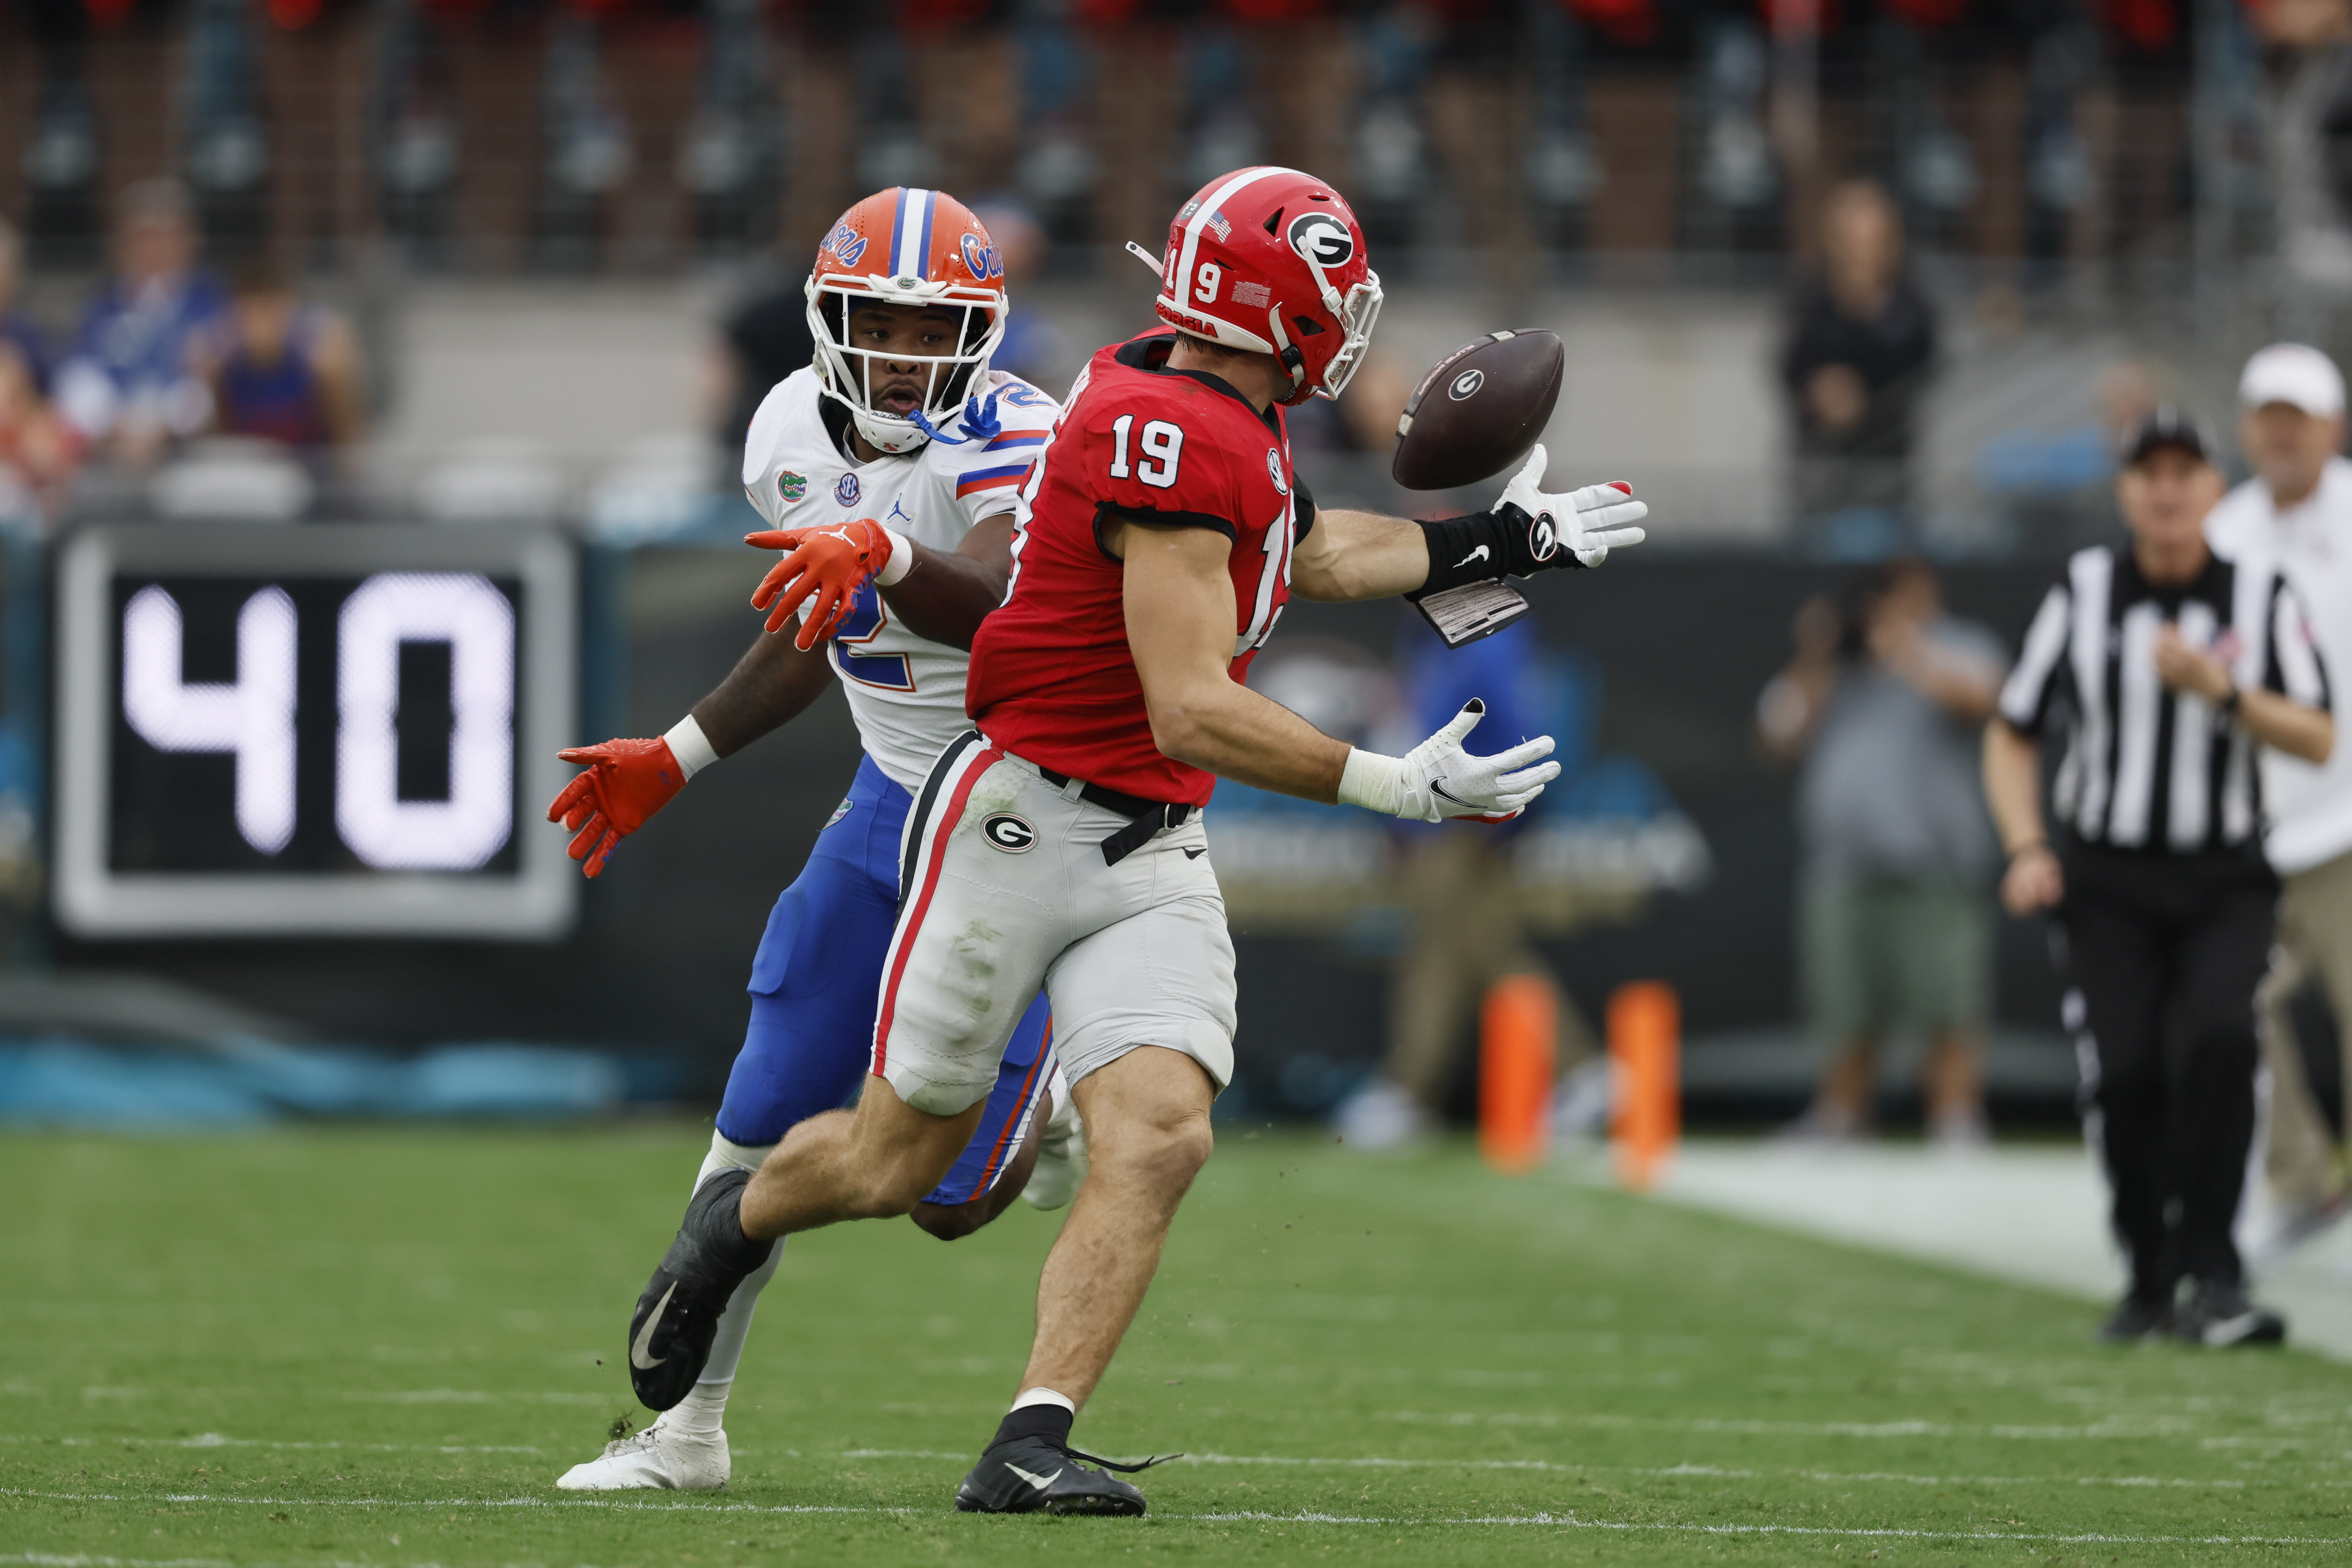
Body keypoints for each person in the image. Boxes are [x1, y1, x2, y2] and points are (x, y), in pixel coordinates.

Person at [616, 164, 1648, 1516]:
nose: (1349, 325)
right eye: (1331, 297)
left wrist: (1503, 540)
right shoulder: (1161, 433)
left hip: (1150, 845)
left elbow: (1318, 550)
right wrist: (1395, 787)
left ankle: (1026, 1437)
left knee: (1160, 1133)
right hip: (1015, 819)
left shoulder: (1228, 408)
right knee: (898, 1169)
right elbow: (1193, 702)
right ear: (1271, 308)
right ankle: (734, 1220)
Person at [543, 188, 1076, 1492]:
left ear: (983, 331)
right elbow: (814, 628)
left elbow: (1007, 604)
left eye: (932, 327)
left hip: (1018, 813)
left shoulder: (1020, 430)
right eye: (879, 325)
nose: (904, 353)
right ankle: (686, 1435)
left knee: (945, 1199)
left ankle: (1048, 1095)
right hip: (890, 799)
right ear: (830, 324)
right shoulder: (785, 426)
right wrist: (674, 754)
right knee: (763, 1096)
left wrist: (885, 543)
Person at [1987, 407, 2334, 1347]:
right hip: (2107, 878)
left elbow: (2317, 730)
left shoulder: (2262, 592)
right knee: (2128, 1070)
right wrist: (2026, 845)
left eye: (2187, 470)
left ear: (2215, 489)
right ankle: (2149, 1270)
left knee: (2223, 1041)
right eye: (2152, 472)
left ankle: (2216, 1271)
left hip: (2224, 873)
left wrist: (2222, 691)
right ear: (2127, 490)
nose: (2170, 488)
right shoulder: (2085, 587)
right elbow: (2012, 728)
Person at [1758, 558, 2007, 1147]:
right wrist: (1817, 655)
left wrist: (1907, 650)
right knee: (1844, 1003)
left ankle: (1955, 1121)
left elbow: (1986, 701)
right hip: (1844, 866)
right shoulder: (1833, 666)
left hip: (1935, 862)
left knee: (1948, 1000)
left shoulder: (1961, 645)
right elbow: (1777, 737)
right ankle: (1841, 1117)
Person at [2205, 342, 2352, 1251]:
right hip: (2255, 823)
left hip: (2350, 817)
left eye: (2297, 417)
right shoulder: (2224, 529)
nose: (2282, 434)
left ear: (2331, 426)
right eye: (2268, 416)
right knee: (2231, 1003)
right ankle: (2299, 1183)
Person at [1780, 179, 1938, 553]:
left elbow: (1917, 365)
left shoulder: (1908, 305)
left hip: (1886, 475)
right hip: (1820, 473)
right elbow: (1789, 366)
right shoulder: (1809, 298)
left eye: (1869, 242)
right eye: (1849, 241)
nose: (1859, 254)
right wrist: (1820, 391)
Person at [52, 179, 226, 472]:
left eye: (164, 237)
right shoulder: (103, 305)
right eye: (142, 238)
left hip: (182, 448)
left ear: (187, 240)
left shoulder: (209, 303)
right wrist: (115, 424)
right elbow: (79, 374)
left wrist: (160, 427)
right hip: (112, 442)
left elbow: (204, 390)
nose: (153, 249)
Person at [196, 257, 365, 454]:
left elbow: (349, 437)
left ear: (290, 307)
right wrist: (208, 378)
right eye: (251, 311)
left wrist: (333, 377)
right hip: (250, 467)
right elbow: (217, 438)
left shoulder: (318, 362)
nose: (261, 324)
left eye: (270, 310)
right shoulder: (225, 367)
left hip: (310, 469)